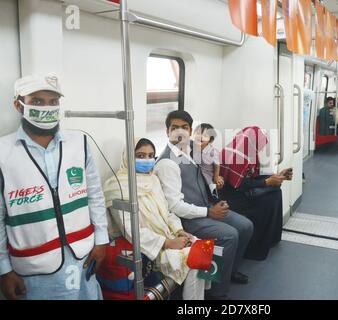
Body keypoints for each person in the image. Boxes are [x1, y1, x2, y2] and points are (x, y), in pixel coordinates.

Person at [0, 74, 109, 300]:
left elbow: (95, 196)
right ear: (18, 105)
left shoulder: (80, 143)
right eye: (37, 101)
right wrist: (4, 269)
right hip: (32, 269)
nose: (47, 108)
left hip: (83, 257)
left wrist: (101, 240)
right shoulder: (3, 153)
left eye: (53, 102)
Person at [154, 110, 253, 300]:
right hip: (188, 218)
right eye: (174, 128)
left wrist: (216, 184)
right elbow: (175, 206)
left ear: (191, 131)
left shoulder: (191, 148)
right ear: (167, 132)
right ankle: (216, 292)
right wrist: (209, 212)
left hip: (206, 205)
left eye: (184, 128)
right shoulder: (167, 163)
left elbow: (210, 162)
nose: (180, 132)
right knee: (229, 235)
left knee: (246, 226)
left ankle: (228, 270)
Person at [103, 138, 206, 300]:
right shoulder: (117, 187)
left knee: (204, 247)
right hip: (148, 249)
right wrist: (168, 243)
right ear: (128, 157)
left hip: (168, 235)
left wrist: (179, 231)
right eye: (140, 155)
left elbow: (167, 213)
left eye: (151, 156)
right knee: (196, 258)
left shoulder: (153, 180)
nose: (147, 160)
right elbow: (131, 230)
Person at [219, 127, 292, 261]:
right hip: (232, 197)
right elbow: (238, 184)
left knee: (276, 191)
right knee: (267, 200)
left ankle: (270, 239)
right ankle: (254, 249)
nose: (262, 147)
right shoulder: (236, 156)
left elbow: (250, 177)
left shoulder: (247, 152)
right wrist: (267, 182)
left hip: (240, 191)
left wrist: (275, 177)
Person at [192, 123, 224, 194]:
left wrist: (216, 177)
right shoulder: (193, 146)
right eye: (198, 133)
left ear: (210, 140)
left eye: (205, 135)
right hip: (199, 172)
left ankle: (214, 196)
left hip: (208, 173)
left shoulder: (212, 151)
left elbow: (217, 165)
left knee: (212, 187)